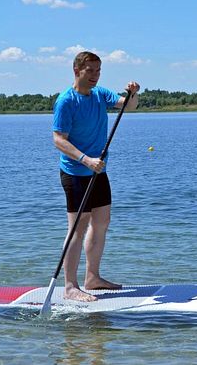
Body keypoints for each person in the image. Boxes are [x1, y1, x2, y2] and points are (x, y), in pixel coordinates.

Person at [52, 51, 140, 302]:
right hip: (76, 172)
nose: (94, 76)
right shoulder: (66, 101)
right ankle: (70, 287)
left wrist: (134, 93)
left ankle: (93, 277)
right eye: (89, 70)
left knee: (101, 223)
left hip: (98, 171)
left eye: (98, 70)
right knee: (77, 229)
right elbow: (58, 139)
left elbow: (129, 106)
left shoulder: (100, 94)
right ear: (76, 71)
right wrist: (85, 159)